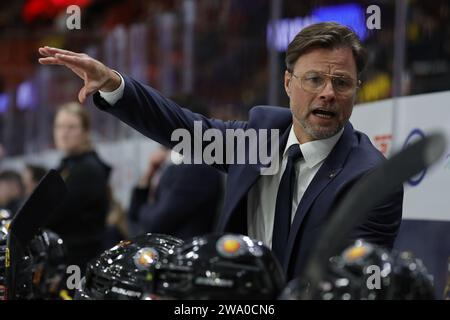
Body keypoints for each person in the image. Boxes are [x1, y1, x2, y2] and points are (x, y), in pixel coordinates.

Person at [38, 22, 403, 280]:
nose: (328, 92)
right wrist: (114, 83)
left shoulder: (370, 179)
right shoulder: (261, 139)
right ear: (288, 83)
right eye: (314, 79)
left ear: (356, 90)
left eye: (341, 82)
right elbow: (181, 127)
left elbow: (343, 284)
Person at [44, 102, 111, 275]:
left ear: (85, 132)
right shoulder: (66, 166)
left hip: (79, 262)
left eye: (71, 127)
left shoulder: (88, 169)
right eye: (59, 126)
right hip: (65, 258)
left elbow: (51, 213)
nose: (63, 133)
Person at [128, 146, 224, 240]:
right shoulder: (173, 167)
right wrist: (149, 173)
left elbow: (157, 221)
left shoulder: (197, 169)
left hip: (184, 249)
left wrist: (142, 209)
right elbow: (133, 213)